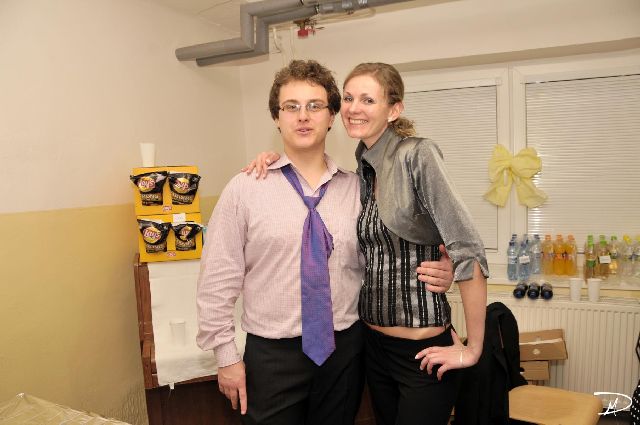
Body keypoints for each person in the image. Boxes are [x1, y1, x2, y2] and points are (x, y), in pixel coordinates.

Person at [196, 60, 454, 425]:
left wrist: (445, 268)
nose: (303, 116)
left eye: (315, 106)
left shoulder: (359, 188)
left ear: (332, 116)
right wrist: (226, 357)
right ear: (276, 118)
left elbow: (388, 256)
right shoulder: (245, 189)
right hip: (271, 356)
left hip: (344, 353)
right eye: (291, 106)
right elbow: (217, 279)